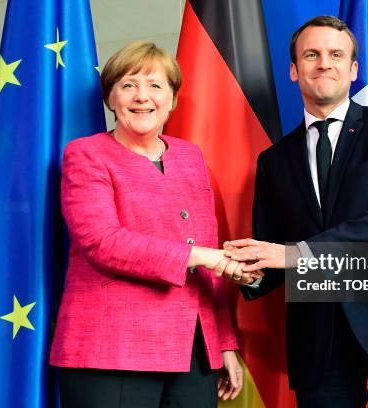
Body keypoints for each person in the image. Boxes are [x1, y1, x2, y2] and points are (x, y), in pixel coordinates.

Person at [225, 16, 368, 408]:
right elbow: (273, 246)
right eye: (311, 55)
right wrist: (249, 273)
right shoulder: (273, 161)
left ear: (353, 68)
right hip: (319, 344)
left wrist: (297, 254)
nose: (324, 63)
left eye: (335, 54)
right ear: (294, 70)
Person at [49, 41, 256, 407]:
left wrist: (222, 342)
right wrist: (202, 256)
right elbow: (101, 241)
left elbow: (206, 256)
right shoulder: (86, 154)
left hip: (193, 352)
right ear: (110, 98)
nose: (142, 96)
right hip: (110, 352)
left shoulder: (191, 157)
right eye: (128, 85)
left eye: (155, 85)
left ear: (172, 99)